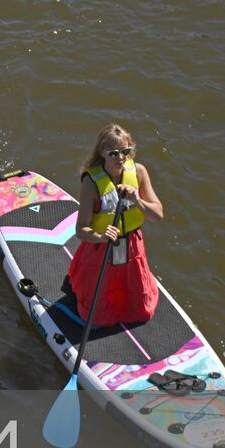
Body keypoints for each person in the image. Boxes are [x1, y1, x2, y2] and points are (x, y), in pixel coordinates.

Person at [66, 124, 164, 326]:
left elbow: (158, 215)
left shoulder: (138, 172)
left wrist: (137, 200)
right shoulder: (91, 182)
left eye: (125, 152)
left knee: (142, 311)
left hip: (131, 246)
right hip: (101, 248)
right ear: (102, 152)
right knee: (95, 315)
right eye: (114, 153)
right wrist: (101, 236)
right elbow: (81, 230)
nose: (121, 158)